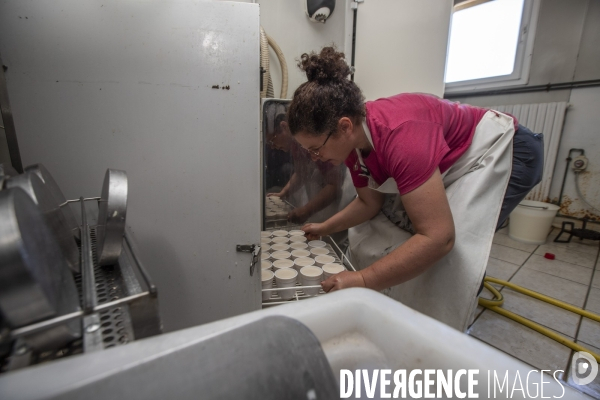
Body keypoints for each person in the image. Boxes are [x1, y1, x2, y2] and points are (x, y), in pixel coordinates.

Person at [287, 47, 543, 331]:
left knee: (454, 252)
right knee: (409, 235)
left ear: (344, 126)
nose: (315, 158)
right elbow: (368, 204)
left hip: (506, 151)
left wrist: (362, 279)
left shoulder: (401, 137)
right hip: (455, 163)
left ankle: (442, 334)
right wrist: (324, 227)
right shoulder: (352, 143)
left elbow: (439, 238)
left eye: (315, 149)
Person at [266, 113, 353, 225]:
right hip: (322, 193)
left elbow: (334, 185)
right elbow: (301, 172)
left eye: (272, 140)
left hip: (339, 194)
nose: (273, 147)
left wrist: (306, 210)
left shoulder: (315, 141)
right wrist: (282, 193)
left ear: (284, 127)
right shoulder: (295, 144)